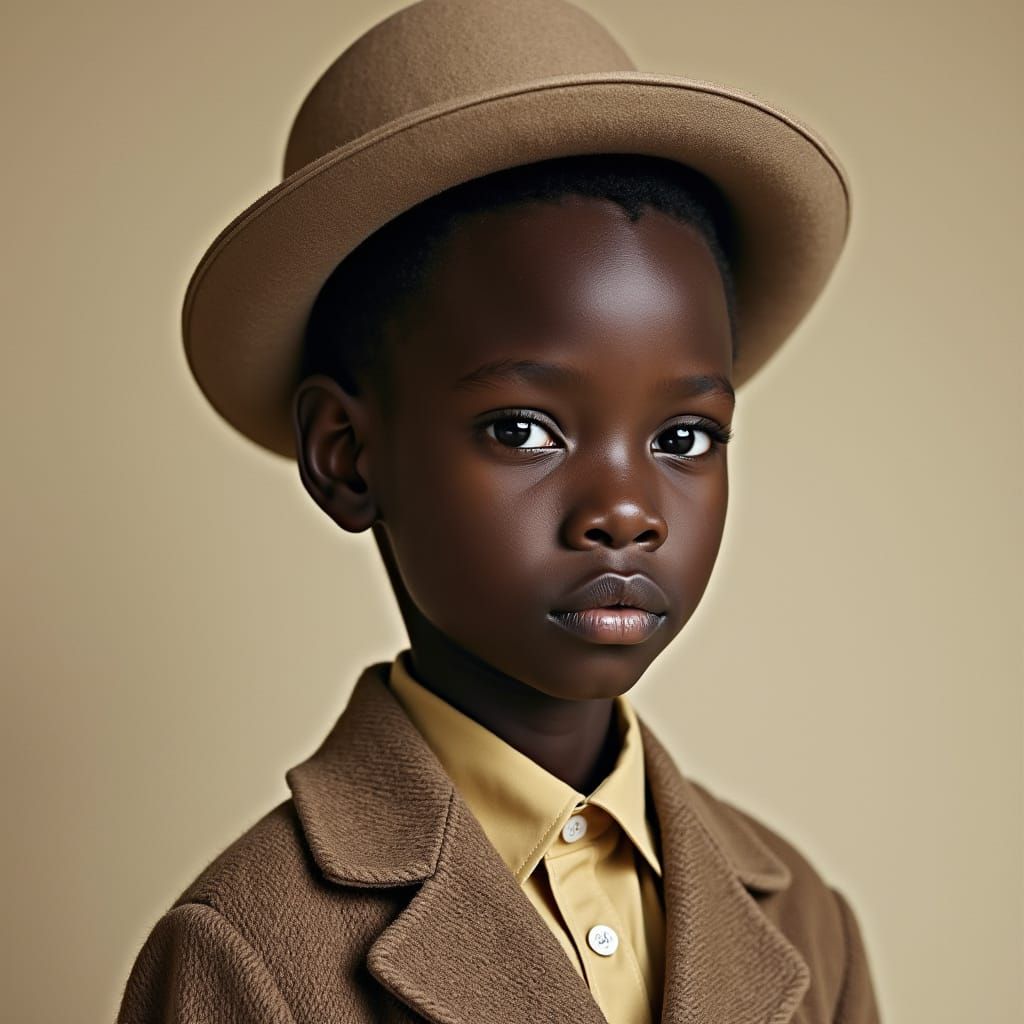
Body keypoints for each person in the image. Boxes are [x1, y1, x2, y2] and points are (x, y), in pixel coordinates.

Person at [117, 0, 882, 1021]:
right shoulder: (248, 950)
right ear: (345, 454)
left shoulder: (804, 923)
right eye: (524, 430)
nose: (624, 510)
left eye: (682, 438)